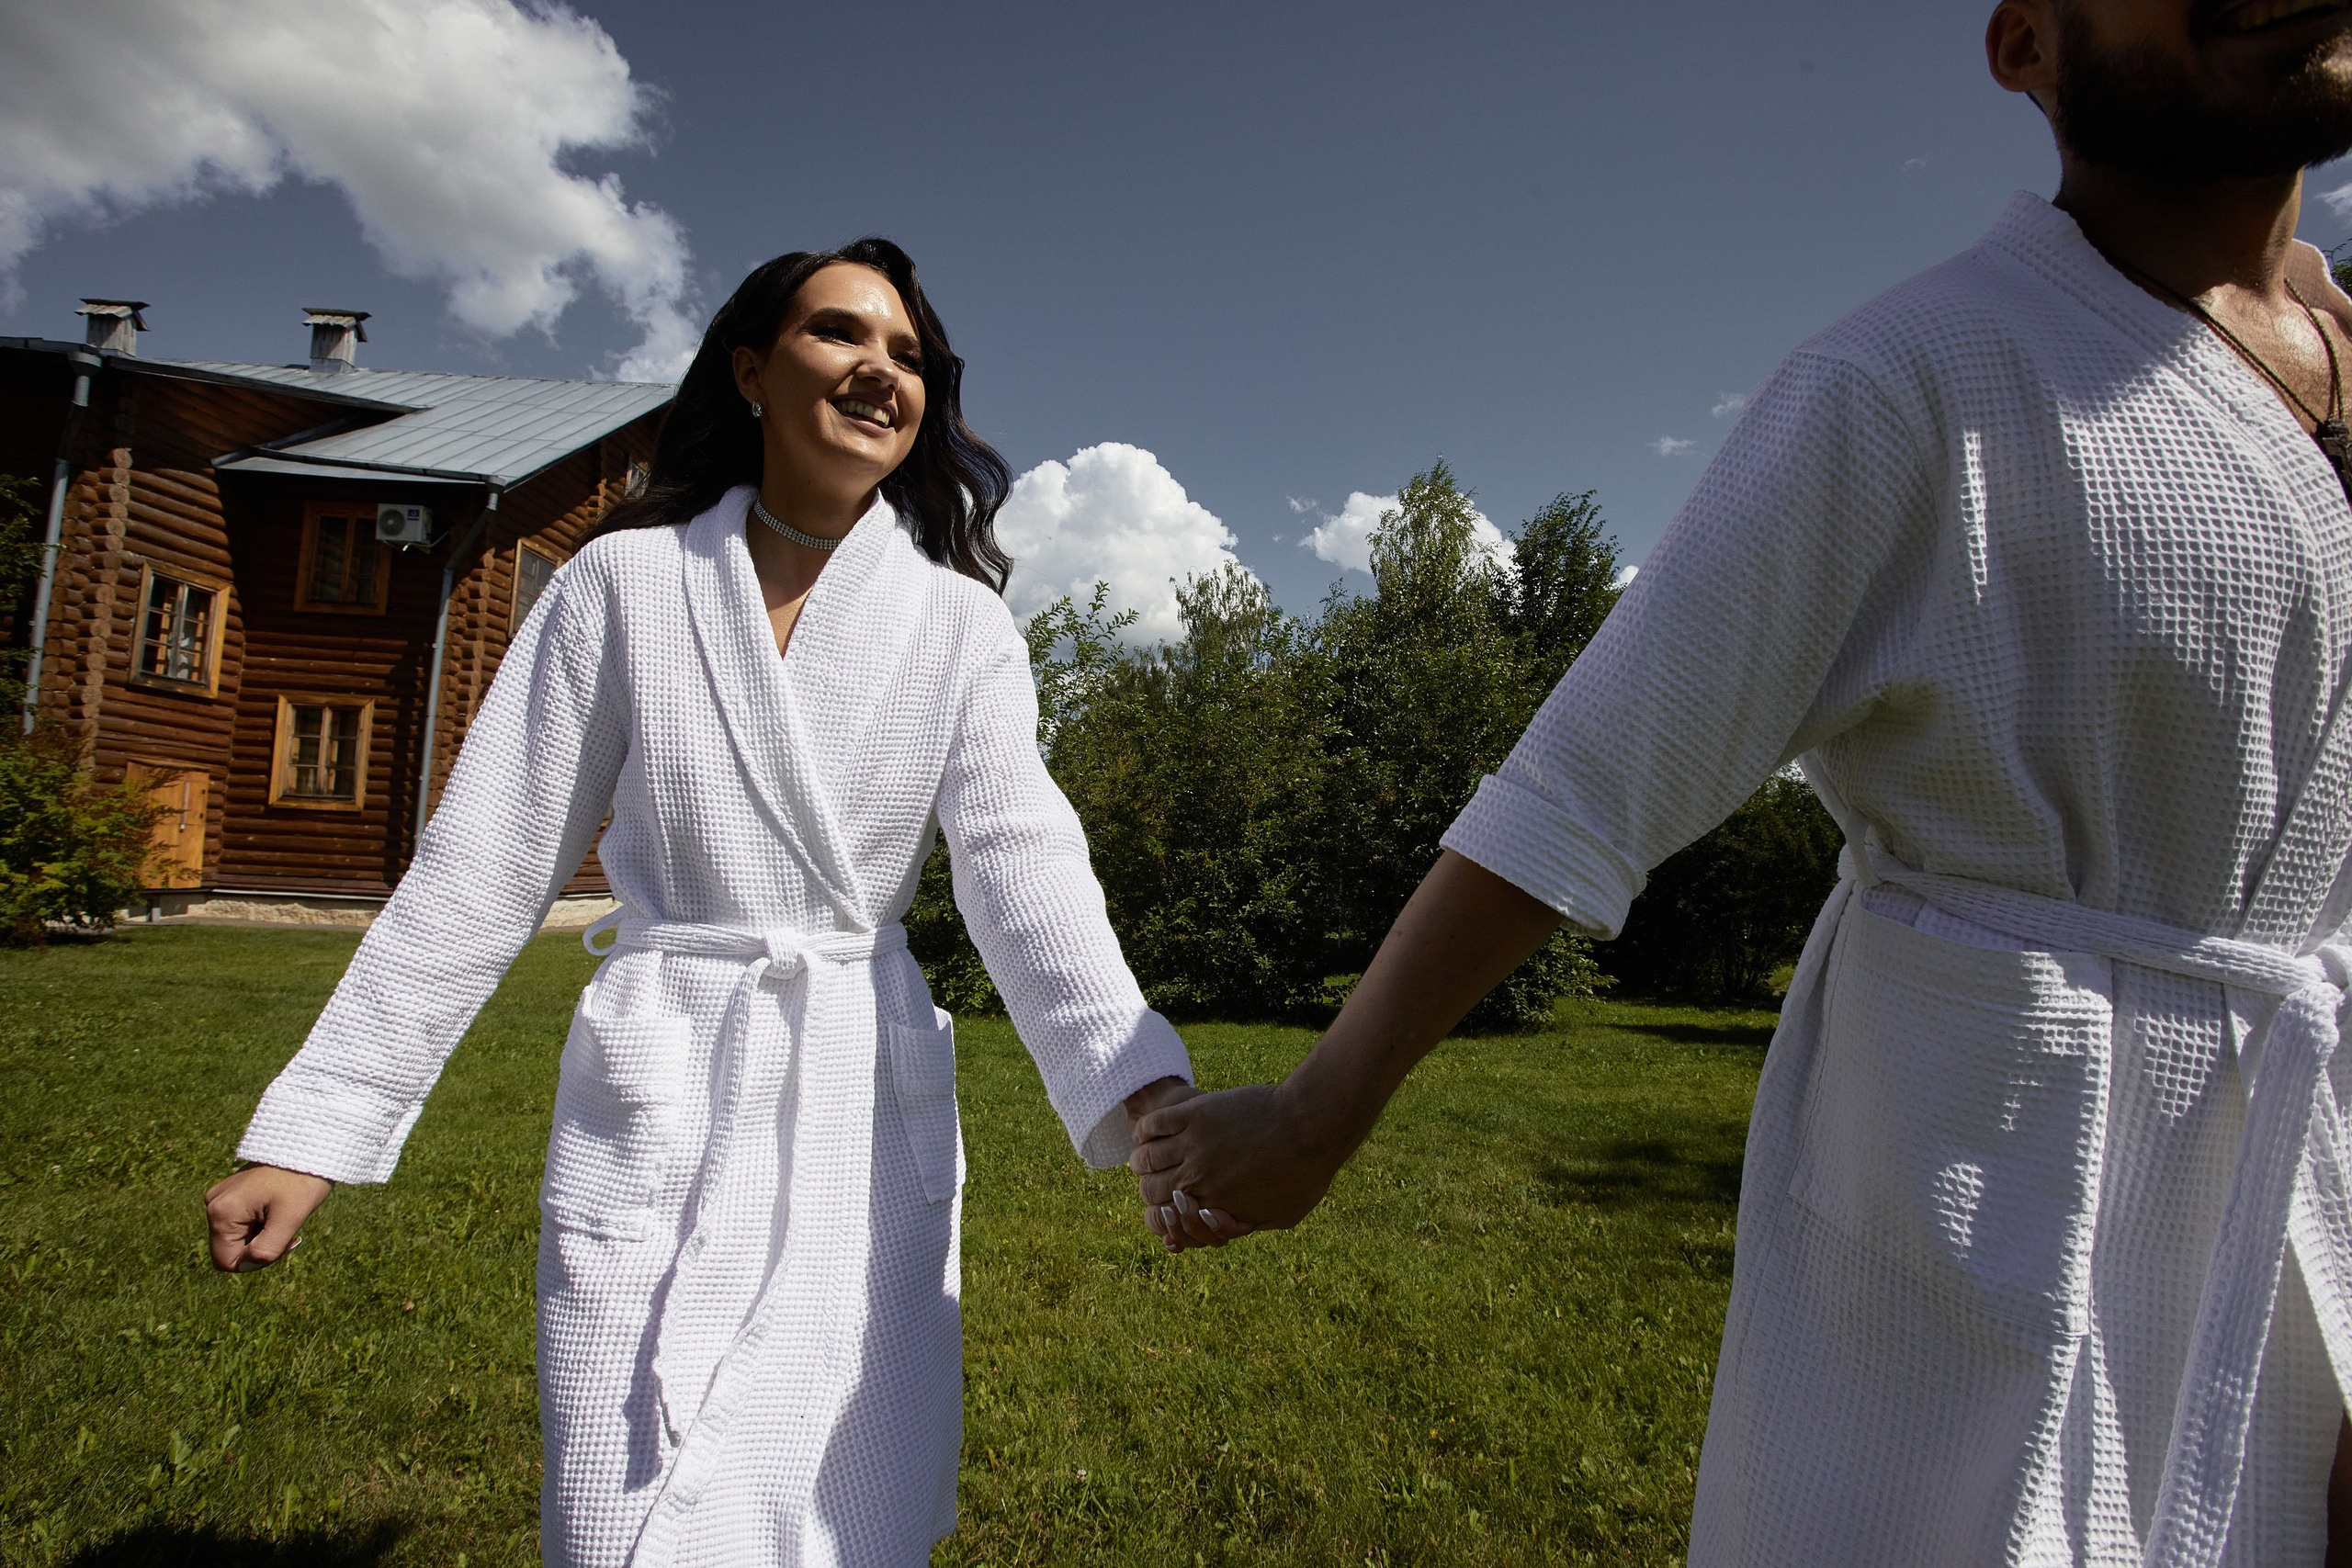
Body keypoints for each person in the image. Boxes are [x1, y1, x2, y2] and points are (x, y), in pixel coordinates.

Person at [1133, 5, 2352, 1562]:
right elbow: (1596, 766)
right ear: (2026, 45)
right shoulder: (1914, 377)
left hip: (2304, 1187)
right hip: (2003, 1184)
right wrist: (1317, 1107)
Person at [202, 239, 1199, 1567]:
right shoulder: (626, 585)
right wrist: (318, 1126)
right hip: (660, 1070)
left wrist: (1145, 1093)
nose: (880, 372)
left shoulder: (960, 627)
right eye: (841, 335)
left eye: (909, 356)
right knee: (625, 1483)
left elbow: (1026, 868)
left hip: (855, 1086)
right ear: (751, 368)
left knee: (840, 1500)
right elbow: (488, 858)